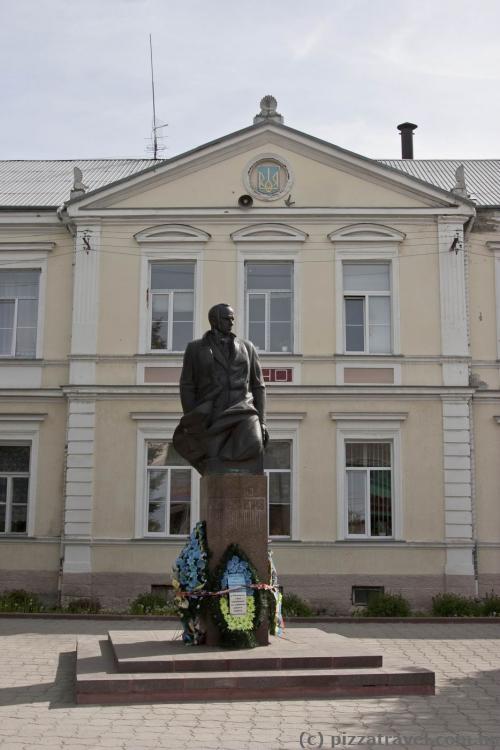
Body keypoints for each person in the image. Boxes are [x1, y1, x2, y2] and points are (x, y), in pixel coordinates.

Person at [173, 303, 269, 475]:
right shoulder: (195, 348)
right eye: (226, 319)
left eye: (232, 319)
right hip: (213, 411)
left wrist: (262, 421)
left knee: (254, 444)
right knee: (213, 459)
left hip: (244, 409)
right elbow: (187, 385)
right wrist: (192, 417)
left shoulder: (247, 347)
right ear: (214, 321)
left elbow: (258, 385)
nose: (231, 322)